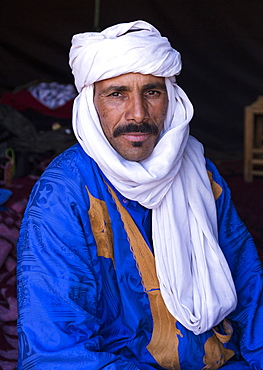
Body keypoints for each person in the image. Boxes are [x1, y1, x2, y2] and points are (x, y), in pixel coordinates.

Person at [16, 20, 263, 369]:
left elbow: (249, 286)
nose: (138, 114)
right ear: (91, 104)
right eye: (116, 94)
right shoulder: (64, 192)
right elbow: (57, 347)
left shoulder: (200, 172)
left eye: (152, 92)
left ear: (171, 99)